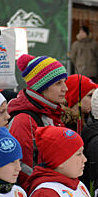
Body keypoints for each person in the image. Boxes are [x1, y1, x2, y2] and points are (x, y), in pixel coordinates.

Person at [8, 54, 67, 189]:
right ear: (42, 87)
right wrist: (44, 188)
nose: (65, 88)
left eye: (64, 81)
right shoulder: (24, 120)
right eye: (58, 83)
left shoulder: (53, 113)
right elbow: (22, 168)